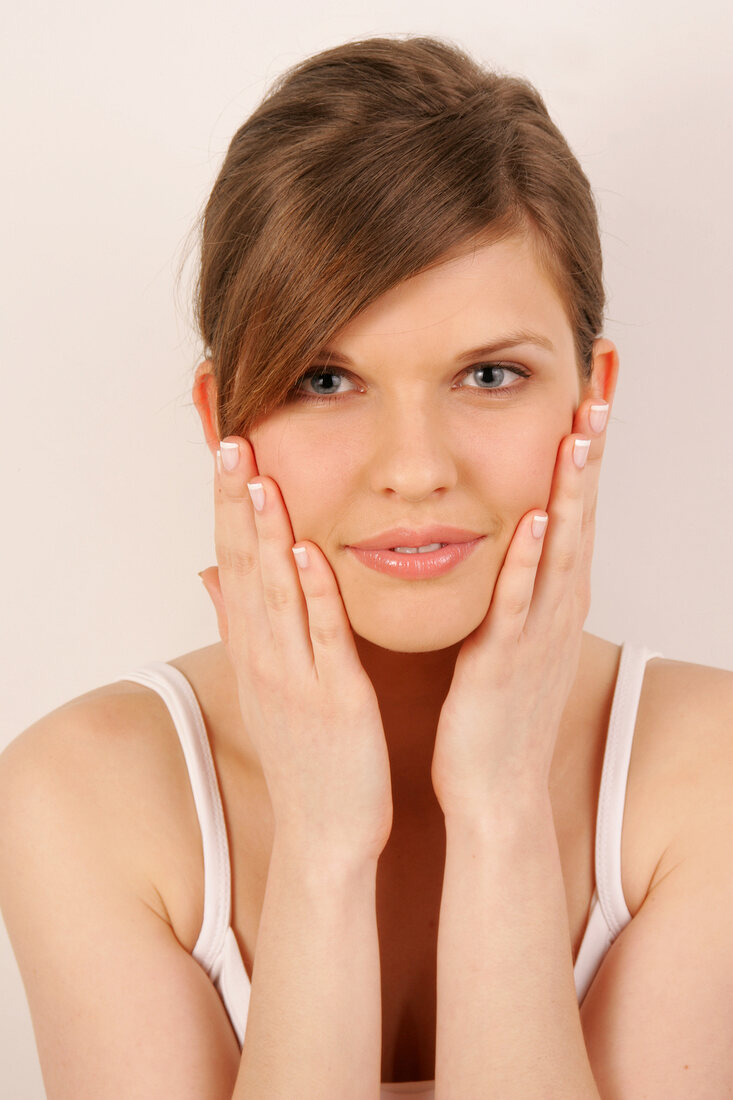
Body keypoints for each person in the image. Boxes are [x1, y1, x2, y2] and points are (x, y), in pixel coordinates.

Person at [1, 32, 732, 1100]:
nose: (415, 468)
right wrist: (324, 847)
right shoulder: (84, 794)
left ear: (591, 397)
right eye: (325, 379)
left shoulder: (706, 779)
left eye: (488, 372)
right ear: (221, 418)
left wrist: (498, 810)